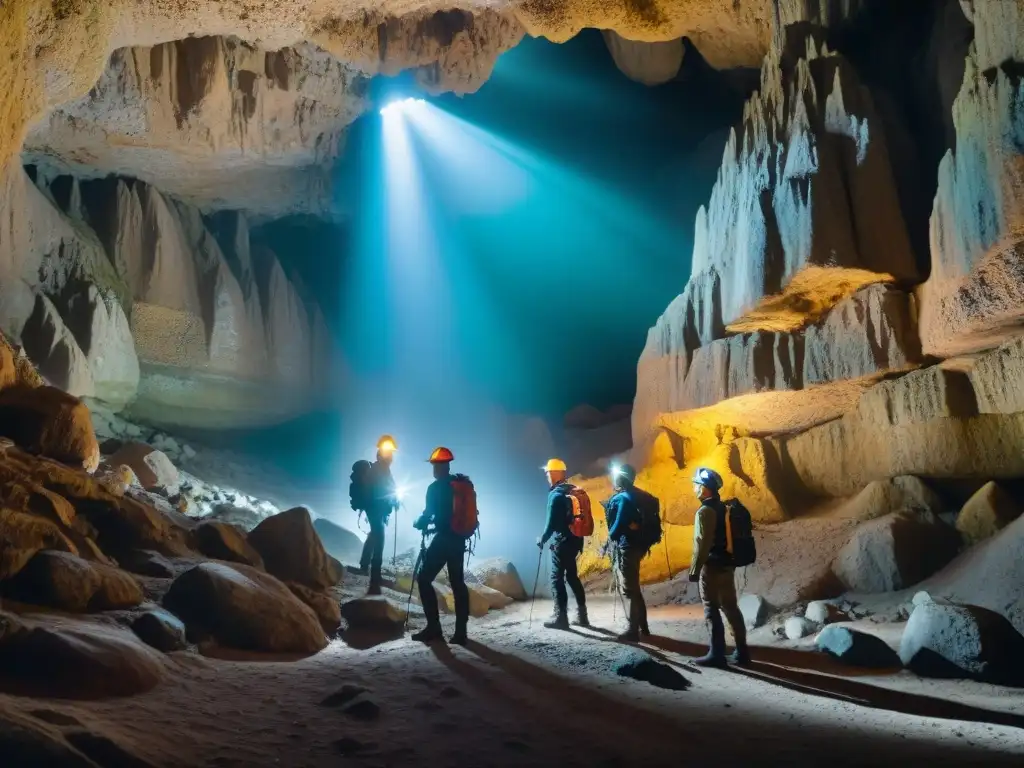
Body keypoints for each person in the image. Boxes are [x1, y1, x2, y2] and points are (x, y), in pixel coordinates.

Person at [688, 467, 750, 667]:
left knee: (710, 607)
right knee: (730, 607)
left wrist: (694, 570)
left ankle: (716, 654)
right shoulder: (725, 508)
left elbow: (702, 544)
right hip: (727, 565)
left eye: (696, 485)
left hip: (712, 566)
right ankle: (742, 652)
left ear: (705, 489)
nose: (694, 488)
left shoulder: (705, 511)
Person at [411, 446, 472, 645]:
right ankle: (461, 632)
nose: (434, 470)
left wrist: (419, 522)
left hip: (444, 539)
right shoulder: (460, 484)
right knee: (457, 583)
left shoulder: (435, 488)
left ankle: (434, 628)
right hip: (459, 539)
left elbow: (428, 515)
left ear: (438, 467)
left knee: (423, 578)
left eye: (434, 466)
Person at [535, 458, 589, 630]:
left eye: (547, 473)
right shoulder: (573, 490)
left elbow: (550, 525)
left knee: (556, 578)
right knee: (572, 576)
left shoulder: (555, 495)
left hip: (562, 543)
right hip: (575, 540)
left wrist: (542, 539)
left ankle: (561, 617)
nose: (546, 477)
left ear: (552, 474)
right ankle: (582, 616)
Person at [602, 464, 652, 641]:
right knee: (634, 586)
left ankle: (633, 631)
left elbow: (618, 523)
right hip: (640, 546)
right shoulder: (640, 496)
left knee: (629, 589)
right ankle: (643, 626)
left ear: (621, 478)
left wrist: (607, 542)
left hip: (628, 547)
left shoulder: (623, 498)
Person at [357, 435, 399, 595]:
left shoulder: (384, 470)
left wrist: (393, 501)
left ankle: (364, 564)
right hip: (375, 508)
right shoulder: (377, 469)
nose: (390, 455)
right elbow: (375, 489)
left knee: (375, 534)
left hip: (377, 509)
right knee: (379, 537)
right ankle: (375, 577)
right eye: (388, 451)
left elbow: (390, 488)